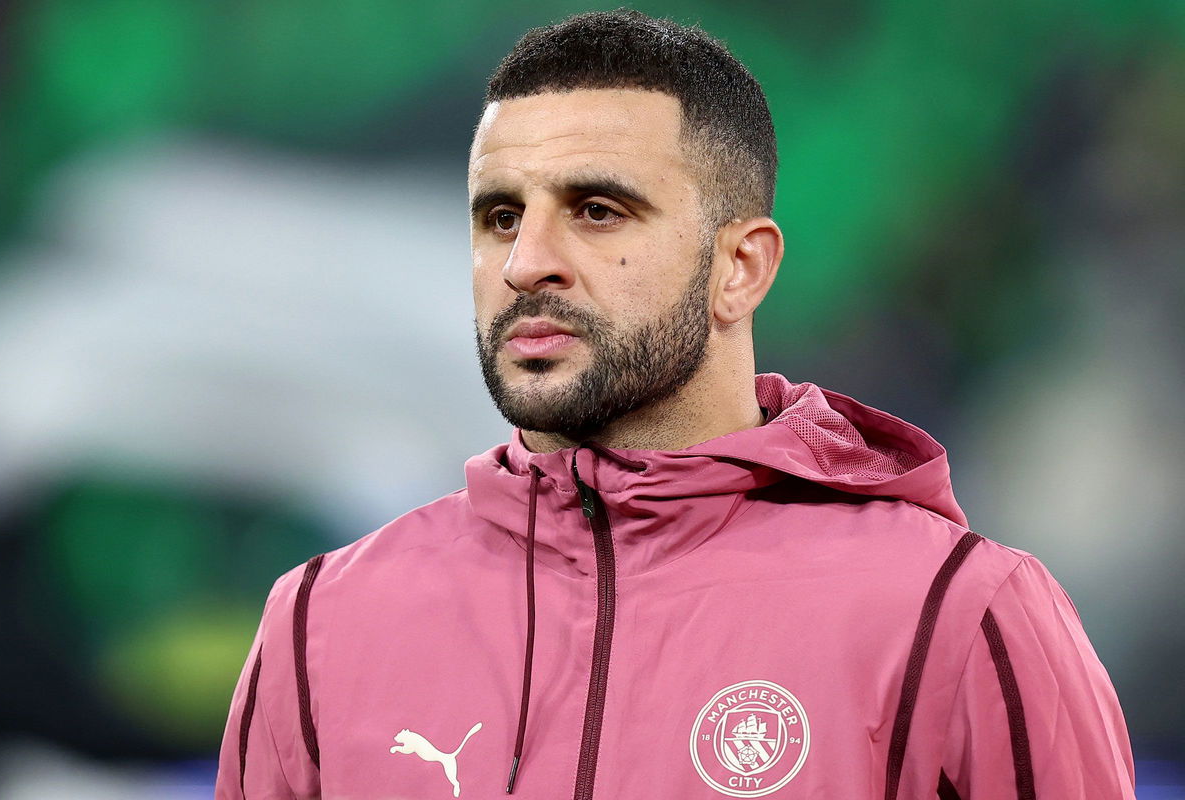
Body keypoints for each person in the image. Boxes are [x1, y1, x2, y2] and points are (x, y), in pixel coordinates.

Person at [216, 10, 1135, 799]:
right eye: (500, 215)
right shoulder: (324, 622)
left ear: (742, 268)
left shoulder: (955, 612)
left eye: (598, 210)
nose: (525, 261)